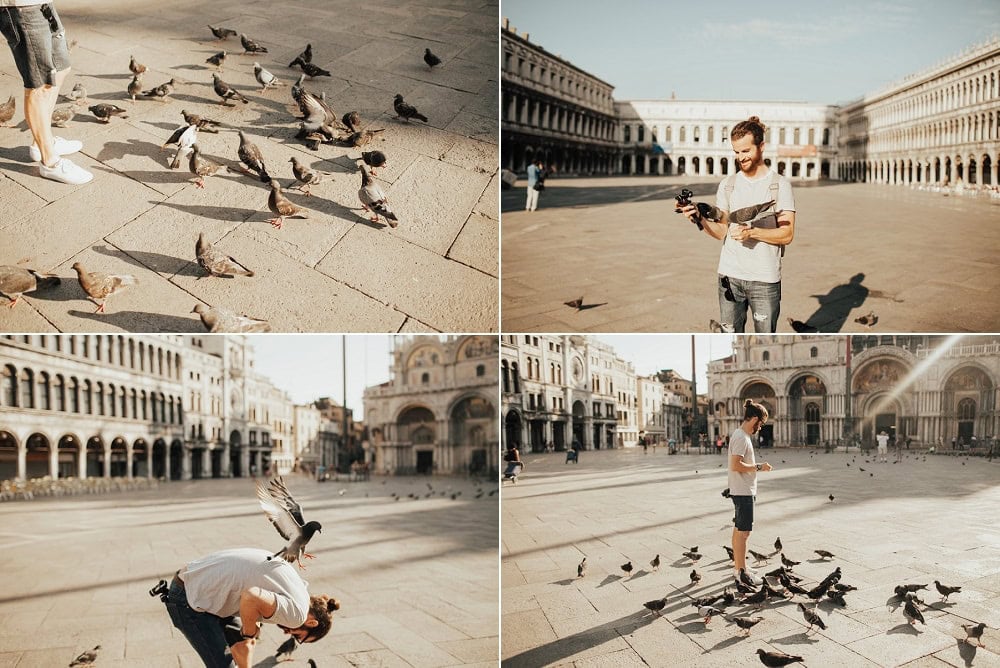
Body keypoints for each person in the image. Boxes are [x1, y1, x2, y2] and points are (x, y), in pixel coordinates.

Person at [677, 116, 795, 332]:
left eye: (746, 151)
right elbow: (722, 231)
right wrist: (699, 219)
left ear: (761, 147)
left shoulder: (779, 185)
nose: (741, 157)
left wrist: (753, 232)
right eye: (736, 152)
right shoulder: (728, 185)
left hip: (764, 280)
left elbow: (787, 234)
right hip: (729, 277)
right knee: (729, 337)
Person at [162, 547, 339, 668]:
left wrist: (249, 633)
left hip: (201, 582)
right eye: (299, 636)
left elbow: (255, 595)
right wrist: (249, 631)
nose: (289, 634)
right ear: (312, 622)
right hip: (189, 598)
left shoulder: (301, 589)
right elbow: (251, 596)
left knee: (243, 642)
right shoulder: (297, 615)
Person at [0, 1, 93, 184]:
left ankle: (42, 141)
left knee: (60, 68)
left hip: (40, 2)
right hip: (20, 6)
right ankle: (49, 161)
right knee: (39, 84)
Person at [728, 399, 773, 586]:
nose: (760, 428)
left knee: (739, 530)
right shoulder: (740, 437)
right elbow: (735, 464)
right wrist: (759, 467)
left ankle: (740, 566)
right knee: (744, 532)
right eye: (760, 424)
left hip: (742, 489)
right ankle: (741, 572)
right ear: (753, 418)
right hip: (743, 491)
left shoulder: (741, 436)